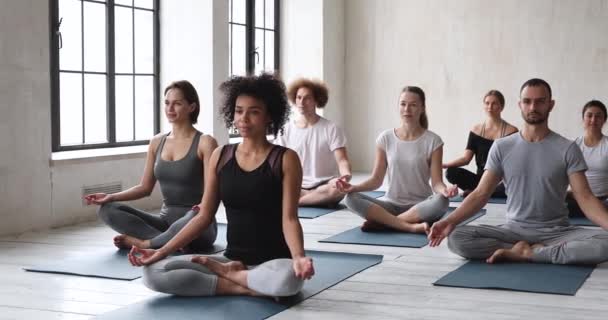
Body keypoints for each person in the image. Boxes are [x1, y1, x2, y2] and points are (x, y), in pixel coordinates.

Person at [127, 73, 314, 297]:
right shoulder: (221, 155)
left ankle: (239, 278)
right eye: (238, 110)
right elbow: (204, 216)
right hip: (229, 259)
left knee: (288, 280)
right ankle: (239, 284)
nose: (243, 118)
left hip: (273, 262)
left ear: (269, 116)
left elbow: (290, 218)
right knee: (153, 272)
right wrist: (161, 251)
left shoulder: (285, 159)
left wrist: (299, 257)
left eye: (253, 112)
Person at [428, 79, 608, 265]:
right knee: (457, 238)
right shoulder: (502, 147)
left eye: (540, 101)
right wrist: (449, 221)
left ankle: (531, 253)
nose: (533, 107)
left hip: (557, 232)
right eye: (527, 101)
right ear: (519, 105)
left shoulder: (567, 148)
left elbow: (585, 198)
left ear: (550, 104)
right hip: (513, 231)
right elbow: (481, 194)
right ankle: (530, 251)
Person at [84, 81, 218, 251]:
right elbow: (145, 188)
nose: (170, 109)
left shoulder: (205, 142)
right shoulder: (156, 142)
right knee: (107, 210)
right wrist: (110, 197)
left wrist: (198, 213)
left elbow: (211, 194)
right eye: (167, 103)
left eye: (177, 103)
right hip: (164, 223)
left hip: (197, 224)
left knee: (196, 213)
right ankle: (170, 244)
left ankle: (146, 243)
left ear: (192, 107)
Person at [336, 86, 456, 233]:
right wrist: (353, 188)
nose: (407, 109)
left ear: (422, 108)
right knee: (350, 198)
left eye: (413, 105)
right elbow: (376, 180)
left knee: (442, 201)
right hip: (390, 206)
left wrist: (445, 191)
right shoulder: (385, 138)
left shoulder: (433, 141)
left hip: (421, 206)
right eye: (403, 104)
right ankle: (409, 226)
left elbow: (437, 183)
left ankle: (385, 223)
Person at [275, 78, 352, 207]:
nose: (301, 102)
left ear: (317, 100)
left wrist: (345, 175)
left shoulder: (331, 128)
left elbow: (342, 160)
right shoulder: (286, 130)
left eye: (307, 98)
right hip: (296, 185)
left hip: (325, 185)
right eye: (299, 98)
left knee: (338, 189)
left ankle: (296, 202)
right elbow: (277, 161)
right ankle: (313, 199)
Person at [443, 90, 517, 198]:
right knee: (451, 172)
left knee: (512, 183)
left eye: (494, 103)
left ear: (501, 106)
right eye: (487, 103)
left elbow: (513, 165)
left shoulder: (512, 131)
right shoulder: (476, 130)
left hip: (501, 182)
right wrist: (444, 165)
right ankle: (483, 192)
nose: (490, 107)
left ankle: (480, 193)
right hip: (480, 180)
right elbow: (465, 159)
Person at [566, 100, 608, 217]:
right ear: (583, 119)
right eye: (589, 115)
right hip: (577, 201)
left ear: (604, 120)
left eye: (598, 116)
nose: (593, 120)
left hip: (603, 201)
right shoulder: (572, 146)